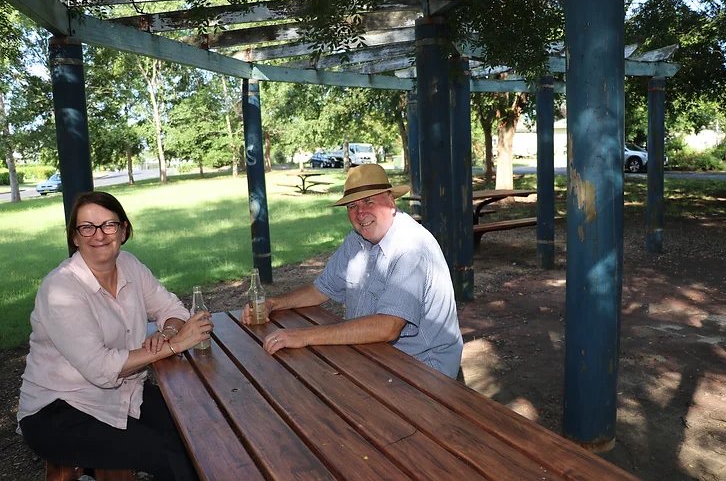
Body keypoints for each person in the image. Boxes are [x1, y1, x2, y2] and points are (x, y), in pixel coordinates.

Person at [17, 191, 212, 481]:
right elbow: (99, 369)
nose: (99, 235)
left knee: (196, 425)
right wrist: (174, 345)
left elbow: (171, 308)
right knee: (167, 453)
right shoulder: (61, 289)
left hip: (125, 392)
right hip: (58, 411)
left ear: (123, 230)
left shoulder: (130, 265)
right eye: (87, 227)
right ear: (75, 237)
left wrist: (168, 331)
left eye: (108, 225)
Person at [242, 164, 463, 378]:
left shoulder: (410, 248)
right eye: (352, 206)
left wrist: (303, 335)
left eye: (369, 202)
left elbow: (388, 327)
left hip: (424, 369)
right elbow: (321, 289)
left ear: (391, 203)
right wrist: (272, 304)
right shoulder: (357, 241)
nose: (360, 214)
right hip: (375, 355)